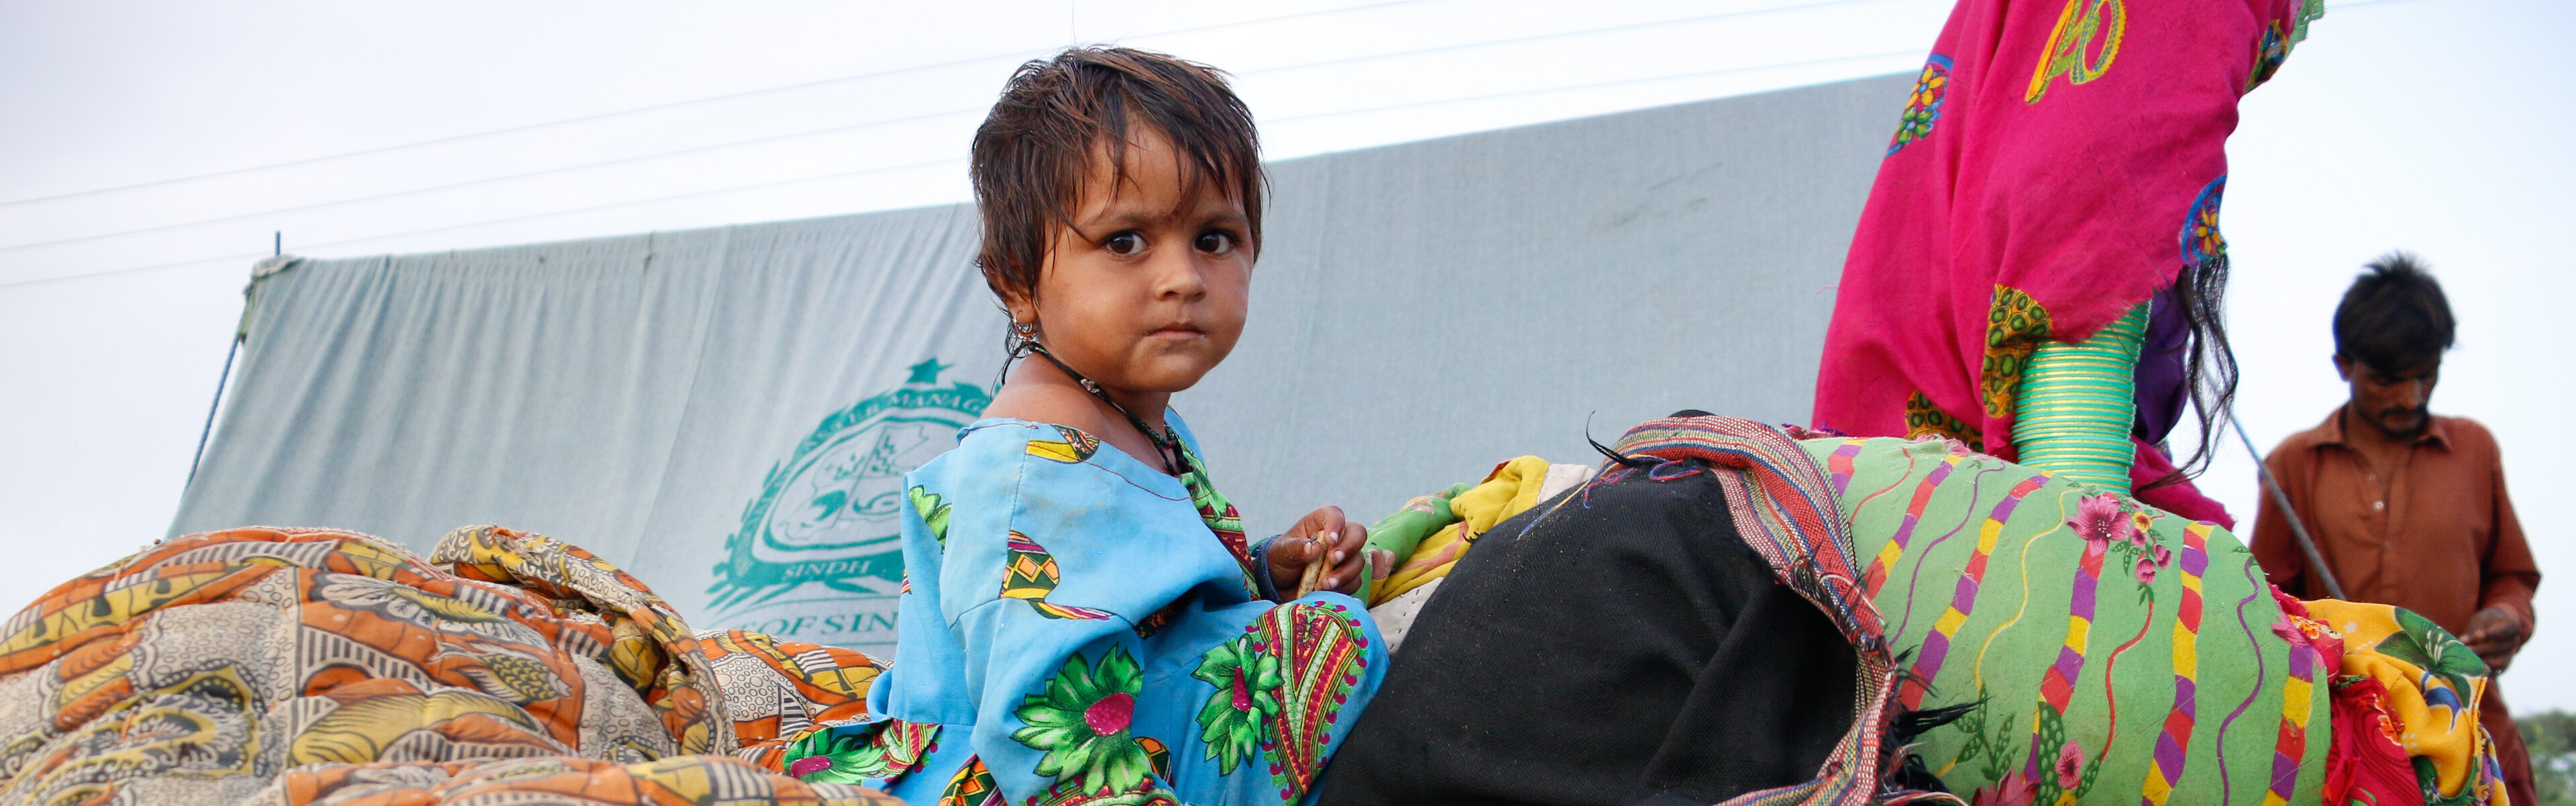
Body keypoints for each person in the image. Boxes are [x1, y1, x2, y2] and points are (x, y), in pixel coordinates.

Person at [794, 47, 1389, 806]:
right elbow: (1033, 724)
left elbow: (1150, 600)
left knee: (1321, 618)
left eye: (1214, 238)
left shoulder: (1139, 421)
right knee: (1331, 637)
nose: (1183, 277)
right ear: (1018, 282)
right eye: (1125, 242)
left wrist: (1270, 568)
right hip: (1021, 778)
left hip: (1118, 721)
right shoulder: (1030, 469)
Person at [2250, 252, 2540, 806]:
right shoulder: (2292, 464)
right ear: (2343, 364)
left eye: (2425, 375)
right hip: (2347, 752)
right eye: (2387, 379)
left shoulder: (2476, 450)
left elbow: (2512, 577)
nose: (2410, 397)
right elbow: (2267, 609)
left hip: (2479, 743)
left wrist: (2507, 617)